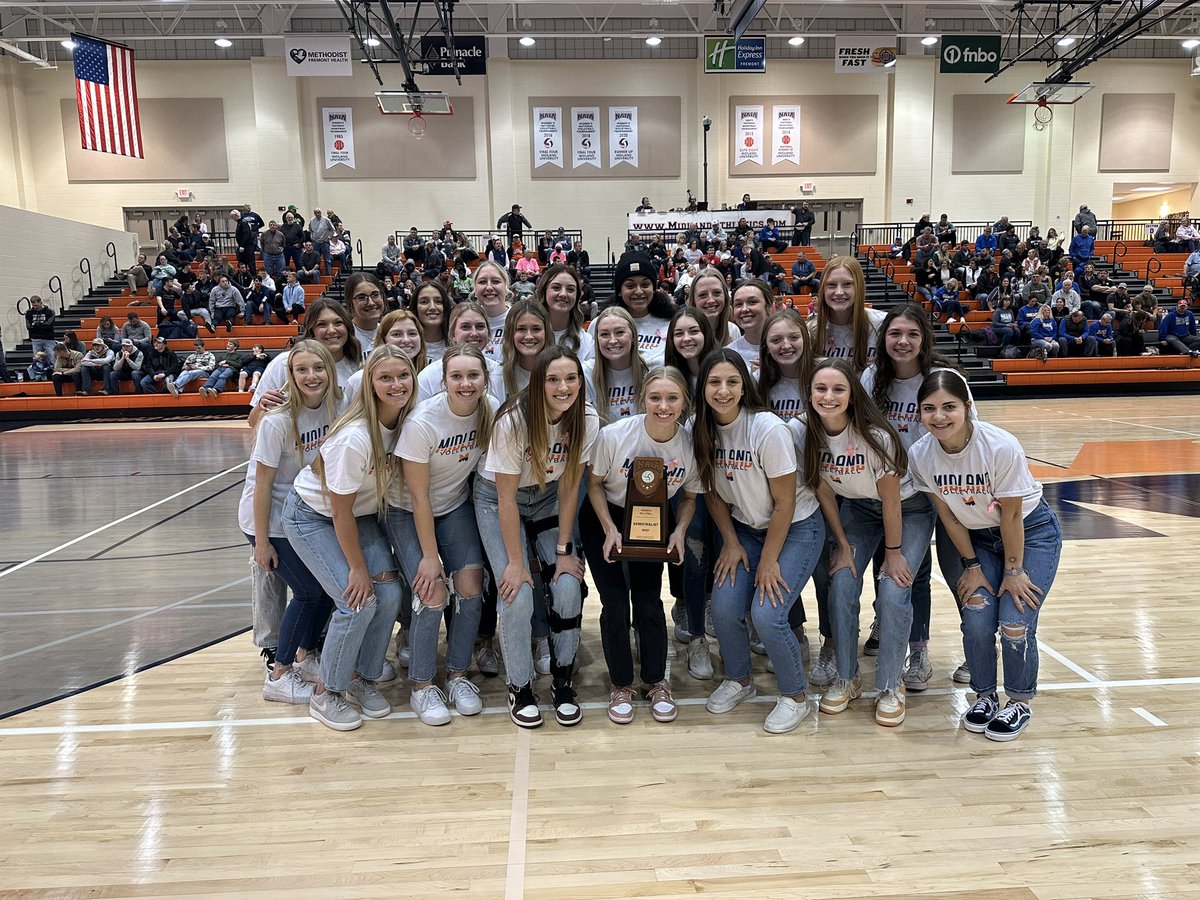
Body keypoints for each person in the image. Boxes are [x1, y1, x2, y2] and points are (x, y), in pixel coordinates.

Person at [909, 370, 1061, 741]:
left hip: (1030, 534)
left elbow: (1010, 515)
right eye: (929, 409)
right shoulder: (920, 455)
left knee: (1014, 622)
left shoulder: (1000, 446)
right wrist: (972, 566)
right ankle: (985, 696)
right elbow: (946, 514)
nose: (939, 417)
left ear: (967, 407)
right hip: (977, 541)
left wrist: (1014, 570)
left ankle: (1019, 701)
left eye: (949, 407)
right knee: (976, 615)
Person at [282, 345, 413, 731]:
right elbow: (338, 510)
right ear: (369, 384)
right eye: (385, 377)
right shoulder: (355, 437)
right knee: (355, 601)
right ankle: (327, 693)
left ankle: (362, 677)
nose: (395, 384)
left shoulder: (406, 423)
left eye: (402, 376)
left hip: (358, 516)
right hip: (313, 517)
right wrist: (357, 569)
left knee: (389, 594)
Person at [694, 349, 825, 734]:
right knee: (723, 608)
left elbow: (785, 503)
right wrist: (732, 543)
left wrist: (768, 562)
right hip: (746, 530)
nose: (723, 390)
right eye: (715, 382)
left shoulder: (767, 428)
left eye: (732, 382)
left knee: (768, 615)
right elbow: (712, 495)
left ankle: (796, 697)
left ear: (744, 385)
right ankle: (740, 680)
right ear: (703, 387)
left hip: (797, 527)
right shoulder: (700, 428)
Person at [475, 346, 597, 729]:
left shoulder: (586, 418)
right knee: (518, 592)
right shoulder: (513, 420)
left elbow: (570, 487)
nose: (563, 387)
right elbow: (506, 497)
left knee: (566, 584)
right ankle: (520, 686)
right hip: (498, 498)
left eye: (571, 378)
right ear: (538, 382)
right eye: (553, 379)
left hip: (548, 496)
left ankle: (563, 680)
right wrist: (514, 563)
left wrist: (564, 551)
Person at [803, 357, 926, 726]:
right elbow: (824, 492)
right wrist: (841, 543)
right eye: (821, 389)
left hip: (908, 510)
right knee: (841, 580)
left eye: (838, 389)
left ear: (852, 395)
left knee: (892, 587)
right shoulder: (808, 435)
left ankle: (890, 684)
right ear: (809, 395)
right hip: (857, 510)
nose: (829, 396)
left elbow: (891, 500)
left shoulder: (877, 437)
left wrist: (892, 554)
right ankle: (847, 675)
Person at [583, 366, 701, 725]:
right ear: (642, 400)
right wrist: (608, 528)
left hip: (652, 519)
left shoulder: (689, 444)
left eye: (672, 398)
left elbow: (690, 496)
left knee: (649, 600)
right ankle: (620, 684)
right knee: (615, 601)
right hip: (604, 517)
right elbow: (594, 485)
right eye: (655, 398)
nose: (663, 406)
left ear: (684, 402)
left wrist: (679, 530)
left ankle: (655, 681)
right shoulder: (615, 435)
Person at [863, 305, 973, 690]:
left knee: (952, 570)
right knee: (903, 571)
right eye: (895, 334)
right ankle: (911, 643)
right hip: (889, 493)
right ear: (884, 339)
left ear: (924, 337)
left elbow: (969, 435)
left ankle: (971, 650)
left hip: (942, 492)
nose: (903, 341)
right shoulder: (871, 378)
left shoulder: (944, 378)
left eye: (912, 333)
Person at [387, 346, 497, 725]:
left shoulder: (491, 410)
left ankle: (457, 674)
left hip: (454, 505)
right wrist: (430, 557)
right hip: (407, 510)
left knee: (470, 584)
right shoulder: (423, 422)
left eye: (473, 376)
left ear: (485, 378)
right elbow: (418, 497)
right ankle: (421, 685)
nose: (465, 384)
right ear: (444, 380)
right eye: (457, 376)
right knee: (431, 590)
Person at [241, 340, 345, 705]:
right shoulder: (278, 421)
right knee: (308, 592)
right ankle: (279, 673)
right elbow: (262, 484)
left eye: (318, 368)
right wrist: (261, 542)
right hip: (270, 520)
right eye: (302, 369)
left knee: (324, 591)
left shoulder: (339, 405)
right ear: (290, 375)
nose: (311, 376)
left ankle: (305, 657)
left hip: (308, 515)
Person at [594, 253, 675, 366]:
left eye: (645, 284)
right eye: (630, 286)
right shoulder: (601, 324)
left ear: (654, 288)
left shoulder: (671, 323)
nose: (638, 291)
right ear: (619, 291)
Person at [811, 256, 887, 371]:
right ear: (823, 290)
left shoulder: (883, 325)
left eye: (847, 284)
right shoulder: (811, 331)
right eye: (831, 285)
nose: (839, 292)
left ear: (859, 287)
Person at [585, 306, 647, 424]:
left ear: (633, 336)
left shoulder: (650, 370)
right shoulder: (586, 372)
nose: (612, 341)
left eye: (619, 332)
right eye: (604, 334)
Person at [757, 308, 813, 422]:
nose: (786, 345)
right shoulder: (756, 380)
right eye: (776, 340)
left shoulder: (825, 373)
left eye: (794, 337)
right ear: (766, 347)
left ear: (805, 339)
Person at [536, 263, 594, 362]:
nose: (563, 294)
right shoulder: (528, 337)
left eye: (570, 289)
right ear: (544, 291)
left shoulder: (586, 341)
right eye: (556, 287)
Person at [498, 299, 552, 397]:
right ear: (510, 333)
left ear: (546, 332)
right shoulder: (497, 377)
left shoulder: (560, 374)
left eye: (536, 329)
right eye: (521, 329)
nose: (529, 336)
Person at [728, 279, 770, 371]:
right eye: (738, 304)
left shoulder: (786, 348)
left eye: (752, 302)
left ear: (768, 307)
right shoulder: (728, 354)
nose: (744, 309)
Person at [24, 295, 56, 361]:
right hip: (36, 339)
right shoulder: (29, 313)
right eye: (33, 306)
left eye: (36, 305)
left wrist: (36, 325)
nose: (35, 307)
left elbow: (49, 325)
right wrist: (41, 325)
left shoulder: (50, 312)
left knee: (51, 359)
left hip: (48, 338)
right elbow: (29, 327)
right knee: (37, 360)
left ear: (41, 303)